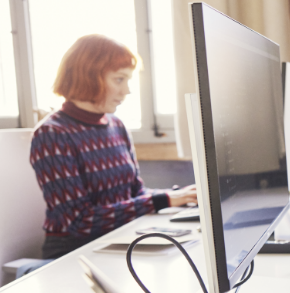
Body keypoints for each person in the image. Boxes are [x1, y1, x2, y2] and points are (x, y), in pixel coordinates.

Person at [30, 34, 197, 259]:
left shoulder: (116, 125)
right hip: (74, 252)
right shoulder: (52, 134)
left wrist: (180, 196)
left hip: (119, 239)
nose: (126, 90)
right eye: (119, 79)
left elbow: (136, 194)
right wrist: (163, 200)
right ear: (88, 76)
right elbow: (80, 221)